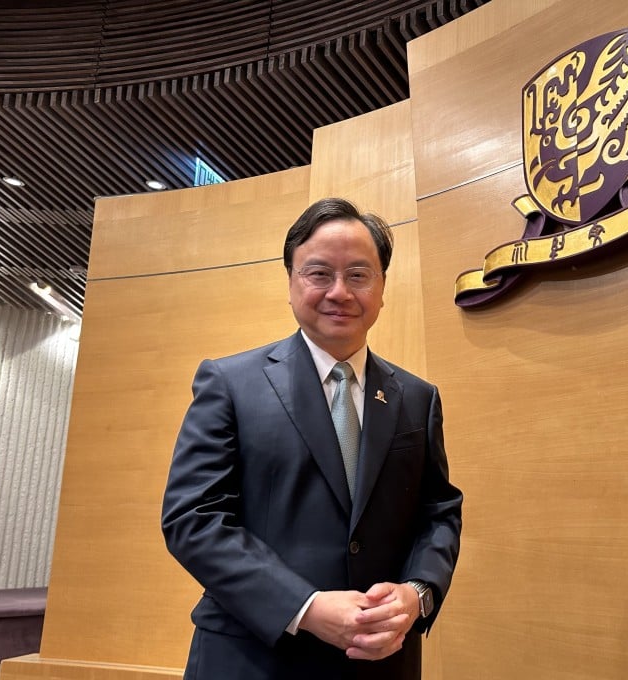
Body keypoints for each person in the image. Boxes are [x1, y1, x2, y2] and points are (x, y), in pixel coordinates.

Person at [161, 197, 463, 680]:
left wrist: (417, 592)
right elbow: (193, 519)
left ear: (382, 287)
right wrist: (304, 606)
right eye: (319, 273)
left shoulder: (418, 398)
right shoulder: (229, 383)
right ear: (291, 282)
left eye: (358, 275)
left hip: (381, 663)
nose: (339, 292)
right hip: (251, 659)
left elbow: (439, 512)